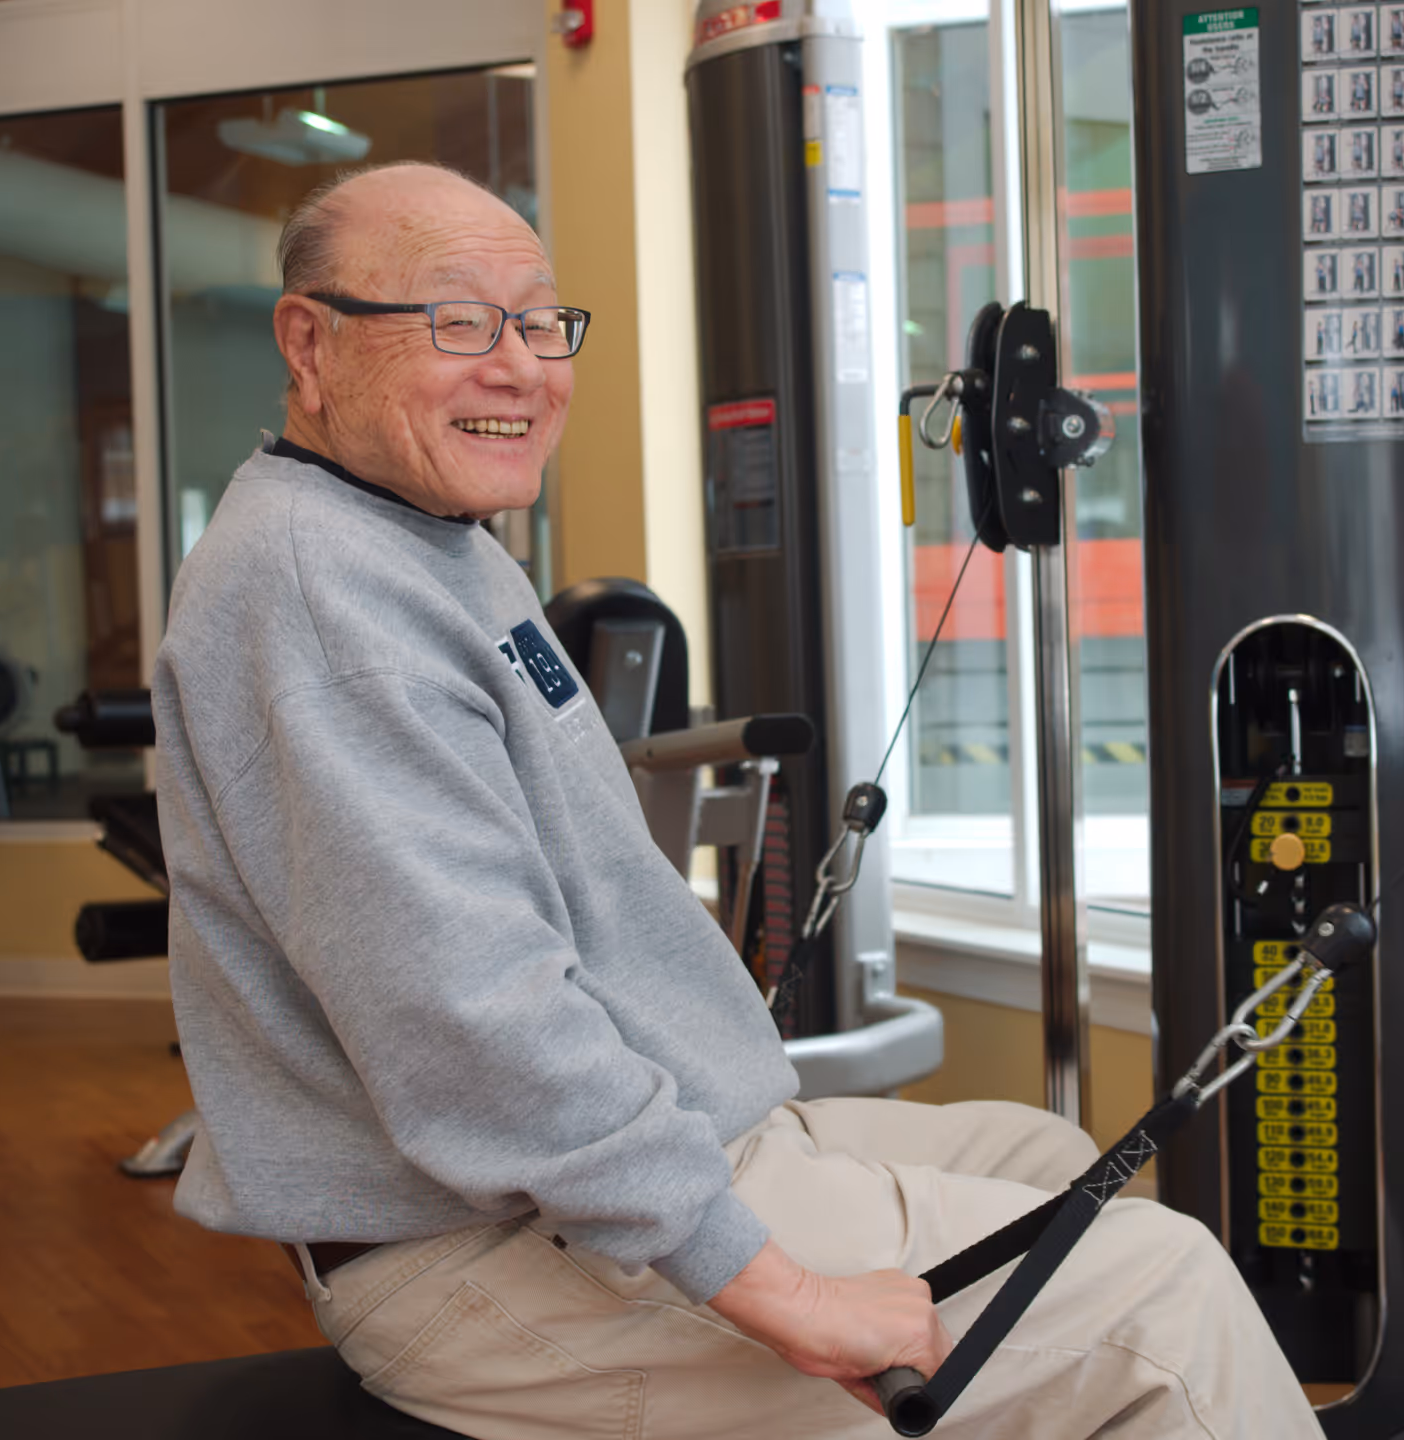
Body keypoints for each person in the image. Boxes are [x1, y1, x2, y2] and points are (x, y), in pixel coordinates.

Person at [153, 160, 1323, 1439]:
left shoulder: (431, 540)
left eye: (539, 321)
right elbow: (472, 1025)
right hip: (487, 1251)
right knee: (1162, 1294)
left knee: (1065, 1169)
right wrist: (783, 1292)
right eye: (460, 321)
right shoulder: (322, 594)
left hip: (611, 1183)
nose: (521, 368)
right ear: (309, 343)